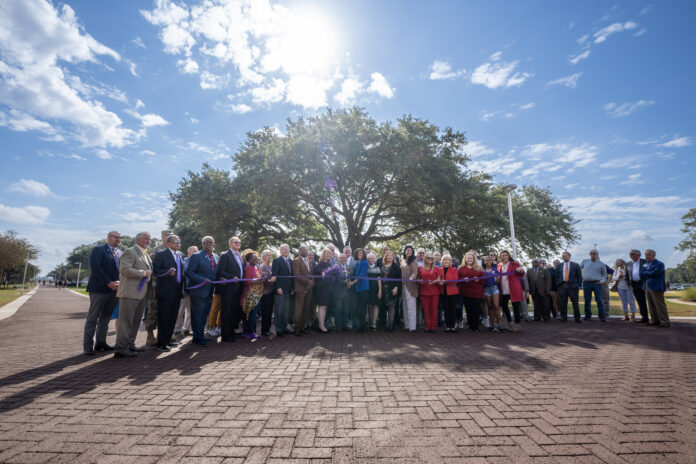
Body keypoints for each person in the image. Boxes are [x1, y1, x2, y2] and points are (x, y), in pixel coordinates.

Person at [114, 232, 153, 357]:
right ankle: (121, 349)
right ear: (137, 239)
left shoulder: (145, 253)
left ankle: (130, 344)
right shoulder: (130, 251)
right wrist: (143, 273)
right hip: (130, 293)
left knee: (136, 321)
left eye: (150, 239)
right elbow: (124, 269)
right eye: (146, 238)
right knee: (125, 321)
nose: (149, 240)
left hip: (141, 293)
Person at [83, 230, 121, 355]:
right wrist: (108, 282)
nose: (118, 240)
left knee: (106, 318)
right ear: (109, 237)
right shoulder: (98, 250)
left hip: (114, 290)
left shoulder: (120, 253)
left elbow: (120, 270)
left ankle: (101, 343)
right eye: (116, 237)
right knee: (93, 318)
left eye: (120, 238)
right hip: (99, 289)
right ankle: (88, 346)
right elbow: (96, 268)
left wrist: (119, 282)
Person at [152, 235, 185, 352]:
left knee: (172, 317)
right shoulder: (161, 254)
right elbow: (155, 270)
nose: (178, 244)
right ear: (168, 243)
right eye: (176, 242)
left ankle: (168, 340)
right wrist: (167, 273)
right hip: (165, 291)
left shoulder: (180, 255)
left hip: (177, 291)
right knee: (164, 317)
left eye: (179, 242)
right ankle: (161, 343)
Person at [185, 236, 218, 346]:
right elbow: (189, 273)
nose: (210, 244)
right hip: (198, 291)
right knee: (197, 315)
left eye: (212, 242)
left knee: (204, 315)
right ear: (203, 244)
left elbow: (214, 273)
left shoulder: (215, 257)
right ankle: (197, 338)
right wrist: (202, 279)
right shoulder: (196, 256)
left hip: (209, 291)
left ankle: (200, 336)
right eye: (207, 242)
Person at [144, 229, 173, 346]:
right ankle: (150, 335)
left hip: (169, 286)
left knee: (166, 311)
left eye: (171, 235)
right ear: (162, 237)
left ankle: (163, 335)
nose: (169, 237)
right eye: (167, 235)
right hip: (156, 285)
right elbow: (151, 268)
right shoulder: (156, 250)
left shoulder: (174, 250)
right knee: (153, 309)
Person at [216, 236, 244, 342]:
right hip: (228, 288)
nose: (238, 244)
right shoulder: (225, 255)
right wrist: (231, 278)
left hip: (238, 288)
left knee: (234, 311)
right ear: (230, 244)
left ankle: (232, 331)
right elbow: (221, 271)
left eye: (239, 243)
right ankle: (226, 335)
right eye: (236, 242)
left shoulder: (239, 255)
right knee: (227, 311)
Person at [640, 249, 670, 327]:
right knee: (650, 304)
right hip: (647, 285)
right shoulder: (645, 264)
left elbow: (655, 273)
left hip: (656, 286)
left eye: (648, 254)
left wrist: (647, 273)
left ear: (654, 255)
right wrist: (648, 273)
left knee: (659, 304)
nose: (647, 256)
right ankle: (654, 320)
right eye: (646, 254)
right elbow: (641, 274)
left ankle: (664, 321)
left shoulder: (660, 264)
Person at [497, 250, 525, 331]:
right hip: (503, 289)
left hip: (513, 288)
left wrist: (521, 270)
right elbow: (499, 276)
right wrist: (498, 279)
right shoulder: (499, 265)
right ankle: (510, 322)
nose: (504, 257)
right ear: (500, 257)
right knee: (504, 305)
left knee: (516, 306)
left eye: (505, 255)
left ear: (508, 256)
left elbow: (521, 274)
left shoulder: (514, 264)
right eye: (502, 255)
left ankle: (517, 324)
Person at [458, 251, 486, 331]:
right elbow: (457, 278)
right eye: (468, 258)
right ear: (465, 259)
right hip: (465, 292)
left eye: (471, 258)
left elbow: (483, 279)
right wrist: (463, 279)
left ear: (474, 259)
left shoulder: (479, 267)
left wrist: (478, 280)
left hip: (476, 292)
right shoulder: (461, 268)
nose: (469, 259)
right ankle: (470, 324)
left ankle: (476, 325)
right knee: (468, 309)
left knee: (476, 309)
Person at [174, 245, 197, 337]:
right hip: (185, 289)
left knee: (190, 310)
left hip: (194, 290)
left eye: (197, 251)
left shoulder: (197, 262)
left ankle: (187, 328)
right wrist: (183, 289)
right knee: (180, 310)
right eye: (193, 251)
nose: (195, 253)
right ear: (189, 253)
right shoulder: (183, 261)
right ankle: (177, 328)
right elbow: (182, 276)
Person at [271, 244, 293, 336]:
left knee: (286, 311)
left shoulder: (290, 261)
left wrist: (293, 288)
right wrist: (278, 287)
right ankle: (279, 330)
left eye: (288, 249)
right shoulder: (277, 261)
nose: (287, 250)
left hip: (288, 290)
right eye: (285, 249)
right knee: (279, 311)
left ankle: (284, 328)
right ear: (280, 251)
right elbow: (275, 275)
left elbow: (292, 276)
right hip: (280, 290)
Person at [292, 245, 314, 336]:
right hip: (300, 289)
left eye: (307, 250)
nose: (305, 252)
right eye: (303, 250)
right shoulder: (296, 261)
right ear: (300, 251)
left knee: (306, 309)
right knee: (299, 310)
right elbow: (297, 275)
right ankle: (296, 329)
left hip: (308, 289)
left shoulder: (308, 261)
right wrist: (308, 281)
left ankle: (302, 327)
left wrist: (312, 282)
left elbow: (310, 274)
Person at [241, 251, 263, 339]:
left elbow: (257, 278)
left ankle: (250, 332)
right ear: (248, 259)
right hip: (249, 294)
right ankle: (248, 332)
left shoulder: (255, 267)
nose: (255, 259)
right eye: (253, 258)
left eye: (256, 258)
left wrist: (261, 279)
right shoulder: (248, 268)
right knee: (249, 314)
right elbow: (246, 282)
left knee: (253, 315)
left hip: (255, 294)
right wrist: (258, 281)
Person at [555, 251, 583, 322]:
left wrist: (578, 285)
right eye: (563, 256)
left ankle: (577, 317)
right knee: (562, 303)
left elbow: (579, 276)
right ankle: (563, 317)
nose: (563, 257)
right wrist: (558, 284)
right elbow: (557, 276)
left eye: (565, 255)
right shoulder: (559, 265)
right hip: (562, 285)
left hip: (573, 286)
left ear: (569, 256)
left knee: (575, 302)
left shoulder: (576, 265)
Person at [581, 249, 608, 321]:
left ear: (597, 254)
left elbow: (605, 275)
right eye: (591, 253)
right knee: (587, 300)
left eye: (594, 253)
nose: (593, 254)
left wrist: (601, 281)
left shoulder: (601, 264)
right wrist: (580, 278)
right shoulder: (585, 261)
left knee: (599, 300)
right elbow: (578, 269)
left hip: (597, 284)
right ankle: (587, 316)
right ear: (589, 254)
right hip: (586, 283)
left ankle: (602, 317)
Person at [418, 252, 440, 333]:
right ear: (425, 259)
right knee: (426, 310)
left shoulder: (436, 268)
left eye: (432, 258)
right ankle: (427, 326)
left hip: (434, 292)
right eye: (428, 258)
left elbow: (439, 279)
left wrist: (433, 282)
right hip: (424, 291)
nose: (430, 259)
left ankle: (433, 327)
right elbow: (418, 278)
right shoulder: (420, 268)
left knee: (434, 310)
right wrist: (419, 281)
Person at [379, 250, 401, 332]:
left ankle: (391, 325)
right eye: (388, 255)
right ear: (385, 256)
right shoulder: (382, 266)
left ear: (393, 257)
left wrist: (396, 288)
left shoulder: (396, 267)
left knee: (392, 307)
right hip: (383, 289)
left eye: (391, 255)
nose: (389, 257)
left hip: (392, 289)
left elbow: (399, 279)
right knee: (384, 307)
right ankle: (383, 324)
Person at [626, 250, 650, 324]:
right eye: (630, 254)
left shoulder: (645, 261)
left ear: (638, 255)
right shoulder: (628, 264)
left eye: (633, 254)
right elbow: (626, 275)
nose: (631, 256)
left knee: (651, 301)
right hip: (634, 284)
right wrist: (629, 284)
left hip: (644, 283)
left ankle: (656, 318)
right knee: (640, 301)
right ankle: (644, 317)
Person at [348, 248, 369, 332]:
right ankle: (356, 326)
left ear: (363, 254)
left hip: (363, 287)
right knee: (356, 308)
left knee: (362, 308)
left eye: (361, 253)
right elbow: (354, 274)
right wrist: (350, 271)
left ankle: (362, 327)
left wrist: (352, 283)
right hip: (356, 288)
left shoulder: (365, 262)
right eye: (357, 253)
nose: (359, 254)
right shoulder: (357, 263)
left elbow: (361, 275)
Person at [438, 254, 460, 332]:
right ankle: (448, 326)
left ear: (450, 262)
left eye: (448, 260)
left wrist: (444, 281)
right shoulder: (439, 269)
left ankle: (453, 326)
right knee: (446, 309)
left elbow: (455, 280)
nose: (446, 261)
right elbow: (438, 280)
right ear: (442, 261)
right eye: (444, 260)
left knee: (453, 309)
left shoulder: (454, 269)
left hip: (453, 292)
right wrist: (440, 282)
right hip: (443, 292)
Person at [315, 248, 334, 333]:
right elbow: (322, 273)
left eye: (329, 254)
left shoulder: (328, 263)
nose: (328, 255)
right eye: (326, 253)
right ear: (323, 254)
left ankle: (322, 324)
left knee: (324, 307)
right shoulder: (321, 263)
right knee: (322, 307)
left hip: (327, 288)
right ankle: (321, 325)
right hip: (322, 288)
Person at [401, 245, 419, 332]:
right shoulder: (403, 261)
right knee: (405, 306)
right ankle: (407, 325)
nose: (409, 251)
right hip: (403, 285)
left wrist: (412, 278)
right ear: (405, 251)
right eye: (407, 250)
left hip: (411, 286)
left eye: (410, 250)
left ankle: (412, 327)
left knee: (411, 306)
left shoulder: (414, 261)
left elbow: (415, 272)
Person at [481, 255, 502, 332]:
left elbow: (498, 282)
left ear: (492, 261)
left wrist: (498, 279)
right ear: (484, 261)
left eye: (489, 260)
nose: (488, 261)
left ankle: (499, 324)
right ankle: (492, 324)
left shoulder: (495, 270)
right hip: (486, 289)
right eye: (486, 260)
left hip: (494, 288)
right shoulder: (482, 271)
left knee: (496, 306)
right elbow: (481, 283)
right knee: (490, 307)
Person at [331, 254, 350, 331]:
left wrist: (349, 282)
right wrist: (343, 281)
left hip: (347, 291)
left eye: (344, 258)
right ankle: (338, 326)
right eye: (341, 258)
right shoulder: (335, 267)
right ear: (338, 259)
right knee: (338, 310)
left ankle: (345, 325)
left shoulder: (347, 267)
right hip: (338, 292)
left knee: (346, 310)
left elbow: (349, 277)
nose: (343, 259)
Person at [259, 250, 276, 336]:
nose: (270, 257)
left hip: (272, 291)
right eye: (268, 255)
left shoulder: (272, 266)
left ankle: (268, 328)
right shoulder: (262, 267)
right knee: (266, 312)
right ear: (263, 257)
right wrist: (270, 279)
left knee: (270, 312)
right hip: (265, 293)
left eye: (270, 255)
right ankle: (264, 330)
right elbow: (263, 279)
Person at [366, 252, 382, 331]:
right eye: (370, 258)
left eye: (373, 258)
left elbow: (379, 280)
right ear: (368, 259)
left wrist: (380, 290)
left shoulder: (377, 268)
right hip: (368, 289)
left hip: (375, 289)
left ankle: (374, 323)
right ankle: (370, 321)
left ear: (375, 259)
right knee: (370, 306)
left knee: (375, 305)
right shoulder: (366, 267)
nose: (371, 260)